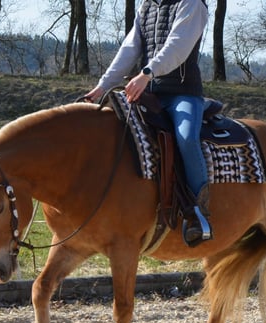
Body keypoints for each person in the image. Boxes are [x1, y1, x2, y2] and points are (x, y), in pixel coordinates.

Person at [83, 0, 212, 246]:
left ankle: (199, 213)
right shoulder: (147, 6)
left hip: (182, 94)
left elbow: (178, 45)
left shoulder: (192, 3)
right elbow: (130, 49)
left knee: (186, 138)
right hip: (148, 93)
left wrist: (147, 73)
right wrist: (103, 86)